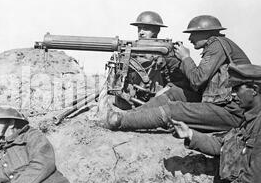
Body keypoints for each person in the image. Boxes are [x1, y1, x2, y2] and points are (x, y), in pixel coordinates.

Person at [96, 63, 261, 183]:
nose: (234, 94)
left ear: (254, 90)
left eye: (238, 89)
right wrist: (189, 134)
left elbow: (254, 181)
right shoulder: (249, 121)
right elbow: (223, 146)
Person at [99, 15, 251, 132]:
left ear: (206, 33)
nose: (190, 38)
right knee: (174, 93)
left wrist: (186, 58)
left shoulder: (217, 45)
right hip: (222, 103)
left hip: (233, 110)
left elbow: (197, 80)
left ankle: (118, 121)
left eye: (193, 34)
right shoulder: (218, 46)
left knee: (175, 109)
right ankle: (128, 116)